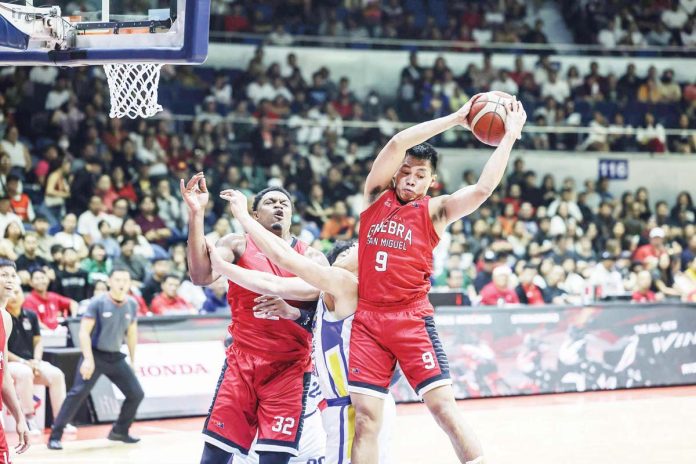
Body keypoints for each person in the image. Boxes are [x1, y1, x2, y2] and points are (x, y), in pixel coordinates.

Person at [347, 96, 526, 464]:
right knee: (365, 419)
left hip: (411, 319)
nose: (410, 179)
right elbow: (397, 143)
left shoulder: (435, 210)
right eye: (406, 172)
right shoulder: (375, 197)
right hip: (367, 320)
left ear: (431, 181)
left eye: (420, 175)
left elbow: (482, 190)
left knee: (443, 409)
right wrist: (459, 118)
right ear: (396, 173)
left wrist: (508, 138)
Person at [211, 190, 398, 464]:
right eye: (343, 252)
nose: (347, 252)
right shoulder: (330, 292)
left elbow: (277, 275)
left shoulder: (346, 286)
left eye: (354, 251)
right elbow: (286, 287)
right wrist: (293, 312)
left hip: (354, 400)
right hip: (339, 400)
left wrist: (225, 259)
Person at [181, 174, 329, 464]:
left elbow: (323, 314)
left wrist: (291, 311)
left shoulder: (312, 257)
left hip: (289, 369)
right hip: (243, 362)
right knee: (215, 455)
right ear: (254, 214)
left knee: (275, 457)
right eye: (270, 202)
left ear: (291, 214)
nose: (278, 207)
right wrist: (196, 214)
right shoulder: (237, 244)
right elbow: (200, 275)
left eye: (284, 203)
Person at [48, 268, 144, 450]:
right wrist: (88, 359)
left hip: (116, 357)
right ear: (110, 282)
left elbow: (131, 334)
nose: (121, 283)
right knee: (77, 394)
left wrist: (133, 360)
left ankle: (120, 431)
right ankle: (55, 435)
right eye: (118, 279)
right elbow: (84, 332)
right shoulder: (98, 302)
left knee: (136, 393)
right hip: (95, 355)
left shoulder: (132, 304)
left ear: (130, 283)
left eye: (125, 280)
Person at [6, 284, 72, 435]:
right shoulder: (2, 316)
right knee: (25, 373)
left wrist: (36, 360)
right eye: (11, 293)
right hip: (11, 364)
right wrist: (25, 362)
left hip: (32, 362)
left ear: (23, 295)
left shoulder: (31, 315)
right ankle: (28, 419)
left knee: (56, 375)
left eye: (17, 292)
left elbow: (38, 342)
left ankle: (60, 421)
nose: (14, 296)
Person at [0, 260, 31, 462]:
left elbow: (4, 375)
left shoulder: (6, 319)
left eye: (13, 275)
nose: (10, 280)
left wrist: (20, 417)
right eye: (4, 275)